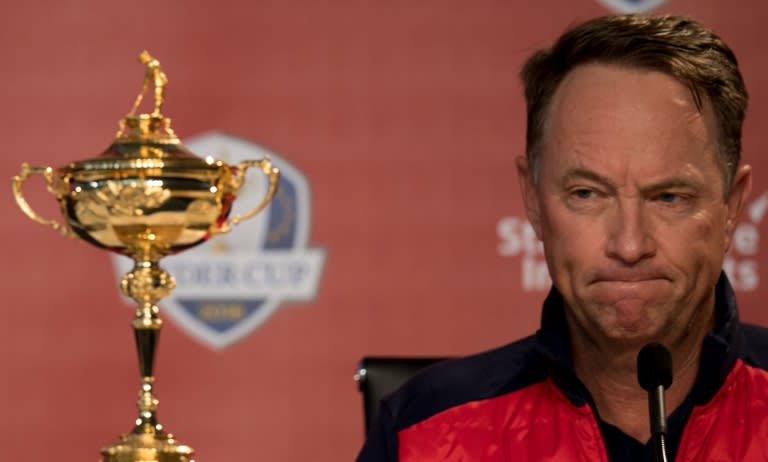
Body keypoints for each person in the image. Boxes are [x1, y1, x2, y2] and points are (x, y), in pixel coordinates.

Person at [356, 13, 768, 462]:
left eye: (668, 197)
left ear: (731, 206)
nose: (629, 245)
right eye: (587, 194)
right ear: (533, 200)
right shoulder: (423, 433)